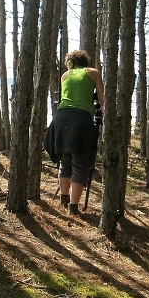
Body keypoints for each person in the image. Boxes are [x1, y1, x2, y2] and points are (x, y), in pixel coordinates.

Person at [43, 49, 105, 216]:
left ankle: (64, 199)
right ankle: (73, 207)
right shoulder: (93, 72)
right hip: (81, 120)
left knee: (65, 161)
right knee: (80, 164)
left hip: (60, 118)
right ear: (86, 62)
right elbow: (102, 99)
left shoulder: (65, 76)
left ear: (71, 64)